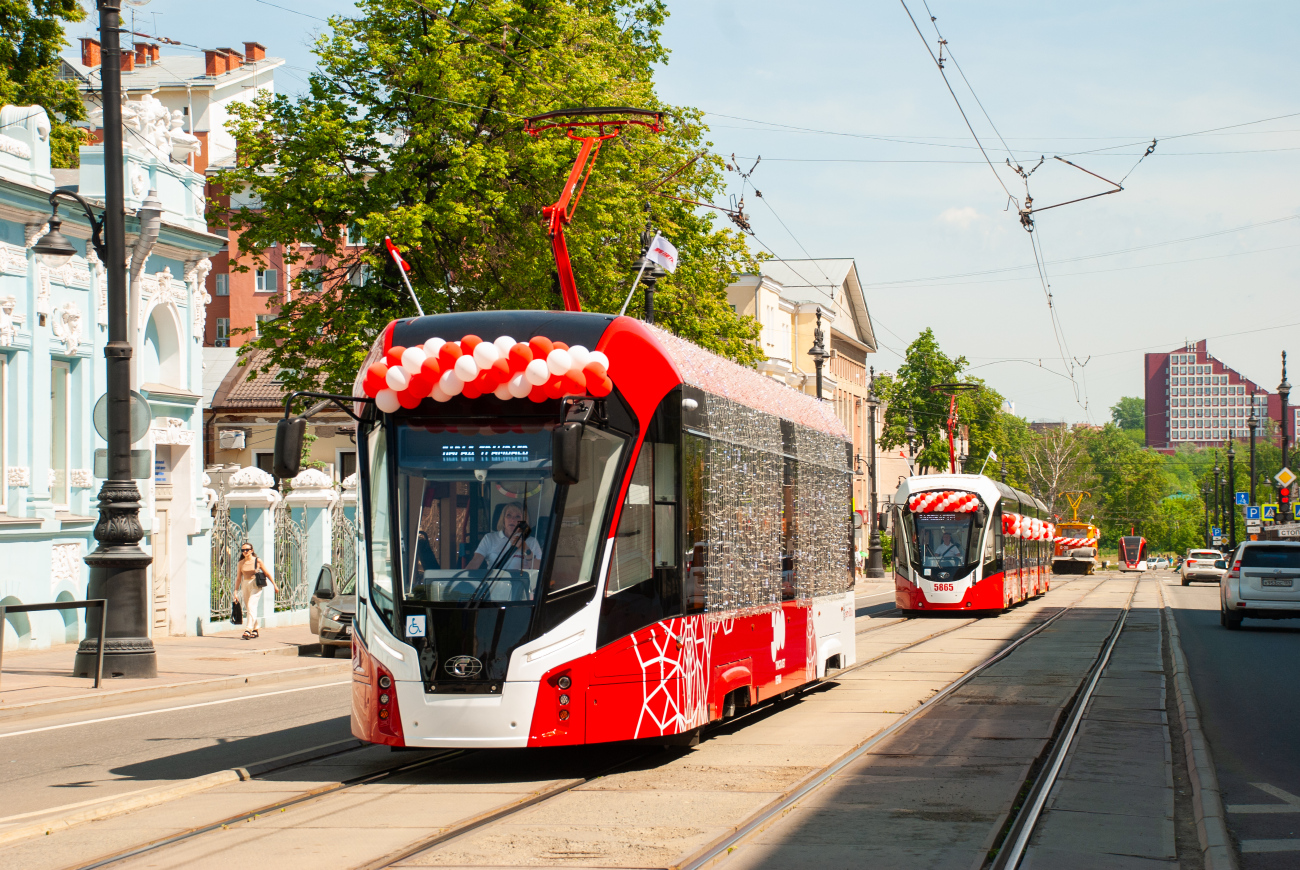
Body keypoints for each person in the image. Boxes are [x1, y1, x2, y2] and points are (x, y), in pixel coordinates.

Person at [467, 502, 541, 571]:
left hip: (520, 583)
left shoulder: (531, 541)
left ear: (524, 521)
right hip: (494, 583)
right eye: (509, 515)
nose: (512, 520)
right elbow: (475, 562)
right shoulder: (489, 538)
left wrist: (526, 549)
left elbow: (539, 570)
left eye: (517, 516)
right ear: (503, 519)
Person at [237, 543, 276, 639]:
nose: (245, 552)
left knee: (251, 605)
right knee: (249, 608)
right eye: (243, 550)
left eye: (247, 549)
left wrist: (275, 585)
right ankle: (255, 629)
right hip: (245, 584)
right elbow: (238, 578)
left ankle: (248, 629)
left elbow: (267, 573)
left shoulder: (257, 561)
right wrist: (235, 591)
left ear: (251, 550)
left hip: (255, 584)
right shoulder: (241, 563)